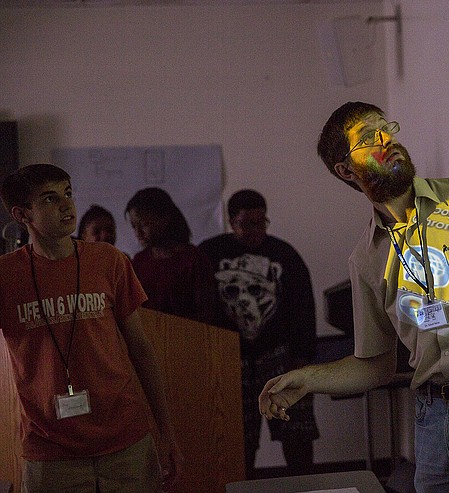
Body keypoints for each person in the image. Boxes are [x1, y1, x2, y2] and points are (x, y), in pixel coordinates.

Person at [259, 102, 449, 492]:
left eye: (387, 129)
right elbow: (375, 366)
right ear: (346, 170)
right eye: (369, 138)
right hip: (432, 418)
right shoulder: (366, 258)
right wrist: (310, 379)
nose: (387, 139)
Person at [0, 164, 182, 492]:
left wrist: (166, 432)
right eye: (49, 199)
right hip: (51, 453)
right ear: (21, 214)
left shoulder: (109, 261)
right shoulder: (6, 275)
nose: (66, 205)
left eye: (68, 194)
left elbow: (141, 350)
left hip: (126, 444)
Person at [199, 189, 319, 478]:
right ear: (230, 222)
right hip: (230, 359)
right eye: (246, 224)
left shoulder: (284, 255)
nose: (255, 231)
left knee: (296, 434)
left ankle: (306, 488)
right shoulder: (210, 253)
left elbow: (304, 306)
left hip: (281, 356)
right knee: (238, 439)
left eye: (261, 222)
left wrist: (302, 357)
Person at [124, 187, 219, 326]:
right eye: (134, 226)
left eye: (144, 224)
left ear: (165, 218)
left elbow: (207, 314)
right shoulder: (139, 262)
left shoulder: (193, 260)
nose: (138, 232)